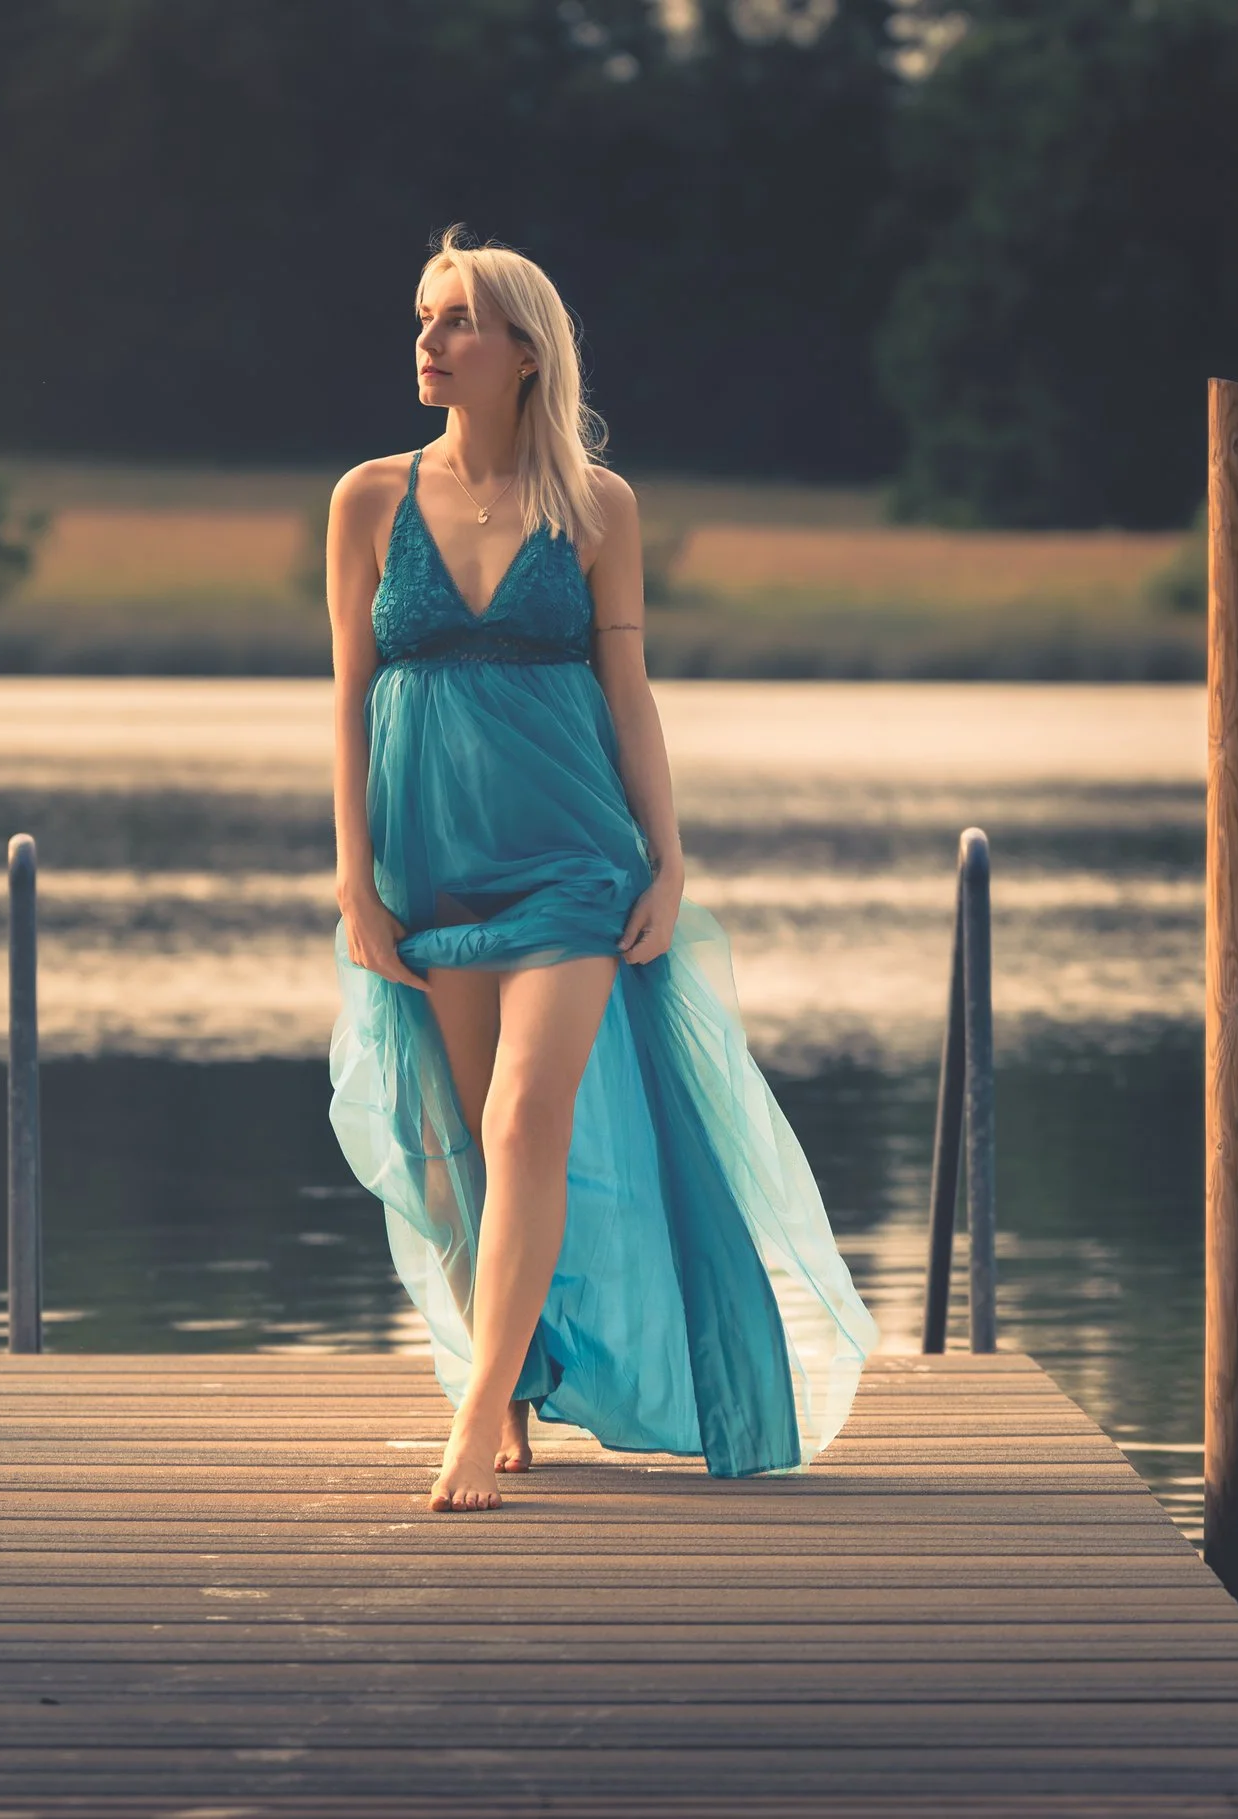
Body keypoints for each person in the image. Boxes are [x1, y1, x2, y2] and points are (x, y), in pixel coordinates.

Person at [323, 226, 876, 1513]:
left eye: (456, 319)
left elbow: (627, 694)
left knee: (525, 1119)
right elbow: (349, 700)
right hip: (426, 859)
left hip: (572, 856)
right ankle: (510, 1382)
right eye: (423, 315)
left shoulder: (595, 505)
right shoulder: (367, 498)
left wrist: (667, 863)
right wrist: (355, 879)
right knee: (460, 1144)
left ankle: (469, 1416)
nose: (429, 339)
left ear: (523, 349)